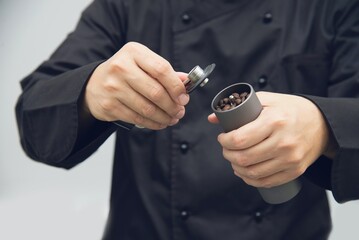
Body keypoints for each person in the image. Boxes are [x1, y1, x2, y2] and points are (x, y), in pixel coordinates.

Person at [15, 0, 359, 239]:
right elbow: (34, 117)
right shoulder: (125, 6)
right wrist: (91, 92)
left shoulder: (334, 6)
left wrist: (324, 127)